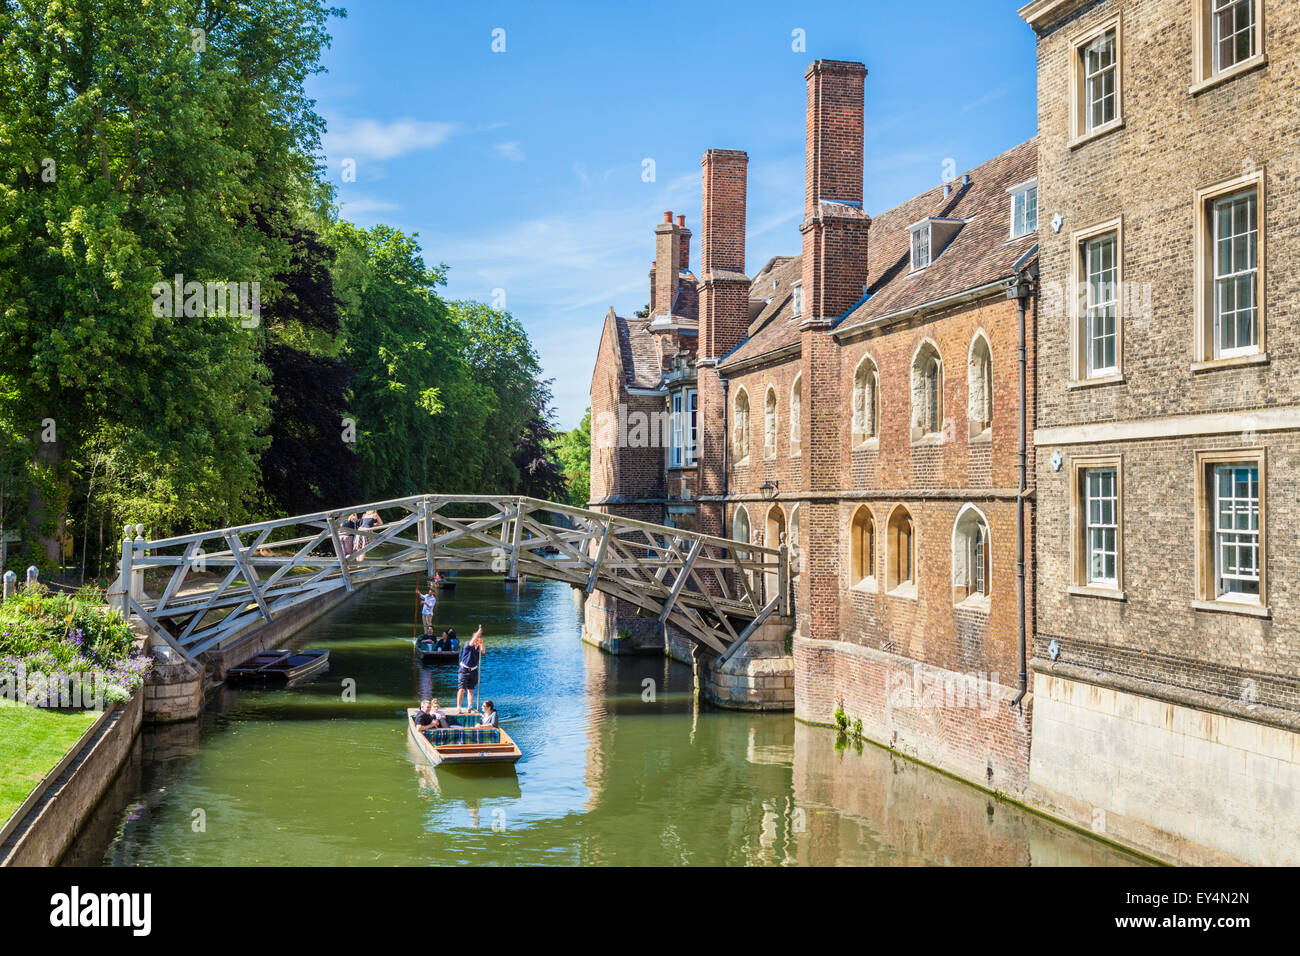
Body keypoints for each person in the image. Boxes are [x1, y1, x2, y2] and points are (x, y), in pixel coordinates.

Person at [456, 626, 484, 711]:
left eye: (478, 639)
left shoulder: (478, 647)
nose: (477, 641)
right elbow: (472, 642)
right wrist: (478, 632)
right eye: (476, 639)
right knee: (461, 689)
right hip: (464, 669)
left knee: (471, 689)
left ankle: (470, 706)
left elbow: (483, 651)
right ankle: (459, 707)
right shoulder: (468, 644)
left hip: (473, 670)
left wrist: (482, 643)